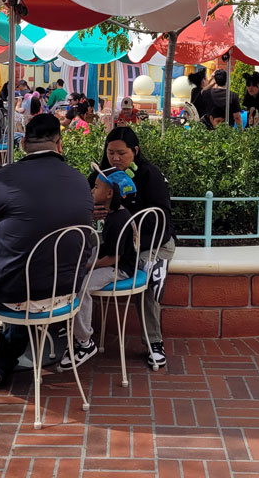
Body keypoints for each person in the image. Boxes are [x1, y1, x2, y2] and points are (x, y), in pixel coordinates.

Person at [0, 114, 94, 385]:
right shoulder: (80, 180)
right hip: (67, 289)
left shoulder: (7, 177)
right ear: (60, 145)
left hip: (15, 288)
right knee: (24, 291)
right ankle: (3, 360)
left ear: (23, 143)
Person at [94, 126, 175, 369]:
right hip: (116, 242)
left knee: (145, 274)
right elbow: (89, 199)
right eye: (110, 153)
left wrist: (124, 212)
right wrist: (92, 211)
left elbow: (162, 218)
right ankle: (76, 337)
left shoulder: (149, 175)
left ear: (135, 151)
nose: (115, 158)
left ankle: (154, 342)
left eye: (121, 153)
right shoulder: (102, 174)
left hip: (153, 243)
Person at [60, 165, 139, 370]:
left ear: (110, 193)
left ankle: (84, 341)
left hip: (120, 268)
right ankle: (71, 321)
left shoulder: (118, 221)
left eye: (96, 187)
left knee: (83, 287)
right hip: (110, 258)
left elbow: (114, 258)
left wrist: (88, 266)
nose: (92, 191)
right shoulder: (114, 213)